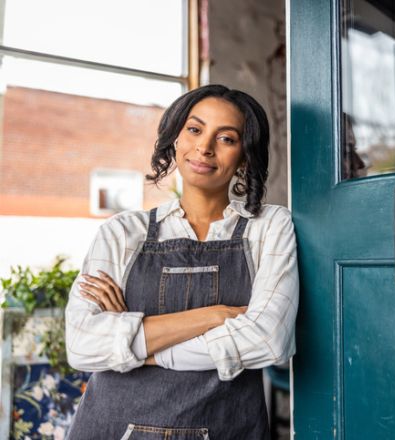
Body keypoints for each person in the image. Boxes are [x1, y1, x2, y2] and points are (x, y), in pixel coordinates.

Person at [65, 84, 299, 439]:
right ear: (176, 138)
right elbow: (82, 345)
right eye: (194, 129)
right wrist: (213, 316)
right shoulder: (121, 233)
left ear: (245, 156)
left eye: (226, 138)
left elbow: (267, 340)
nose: (204, 147)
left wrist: (139, 347)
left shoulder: (268, 227)